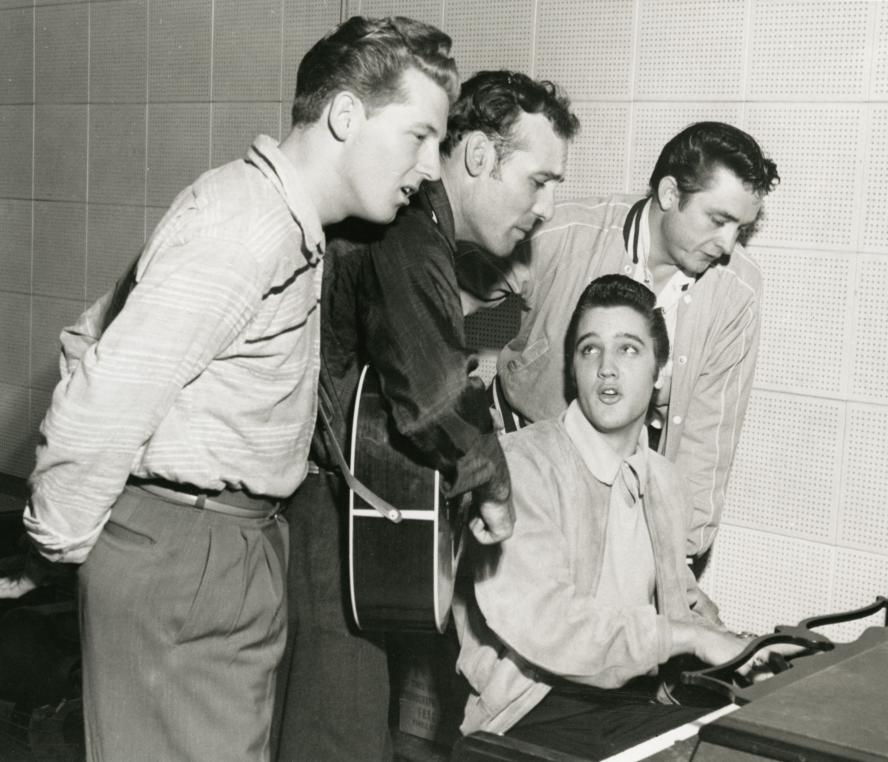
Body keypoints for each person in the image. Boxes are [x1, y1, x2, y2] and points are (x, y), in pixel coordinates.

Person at [0, 16, 457, 762]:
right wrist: (63, 545)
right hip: (190, 546)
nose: (432, 166)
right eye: (420, 135)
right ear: (346, 116)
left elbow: (97, 331)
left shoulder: (284, 225)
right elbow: (106, 391)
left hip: (229, 540)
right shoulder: (246, 225)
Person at [272, 69, 580, 762]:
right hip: (324, 511)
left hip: (331, 503)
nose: (549, 207)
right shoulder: (411, 227)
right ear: (476, 157)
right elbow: (433, 397)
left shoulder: (421, 229)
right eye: (538, 180)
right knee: (338, 735)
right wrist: (495, 485)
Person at [455, 275, 780, 755]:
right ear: (572, 369)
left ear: (660, 373)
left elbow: (680, 602)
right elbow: (552, 624)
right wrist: (685, 636)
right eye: (590, 350)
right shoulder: (519, 466)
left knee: (763, 739)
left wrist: (752, 648)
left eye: (628, 350)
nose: (606, 368)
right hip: (532, 715)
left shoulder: (664, 482)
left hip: (633, 705)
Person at [464, 121, 779, 574]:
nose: (728, 244)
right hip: (515, 463)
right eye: (719, 220)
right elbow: (432, 297)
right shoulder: (563, 232)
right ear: (670, 194)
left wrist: (679, 564)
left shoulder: (738, 292)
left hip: (620, 497)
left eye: (741, 228)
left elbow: (707, 442)